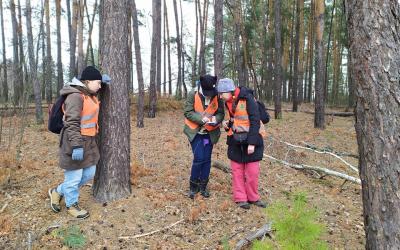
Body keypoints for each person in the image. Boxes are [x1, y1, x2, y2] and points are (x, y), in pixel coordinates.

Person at [48, 66, 108, 219]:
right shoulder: (75, 96)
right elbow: (72, 123)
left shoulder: (88, 93)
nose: (100, 86)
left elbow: (89, 103)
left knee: (89, 173)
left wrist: (103, 82)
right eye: (98, 83)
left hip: (89, 142)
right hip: (74, 142)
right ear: (87, 82)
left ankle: (58, 191)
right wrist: (76, 146)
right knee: (74, 178)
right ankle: (72, 205)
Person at [217, 78, 266, 209]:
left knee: (252, 172)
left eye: (222, 93)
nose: (220, 96)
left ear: (229, 91)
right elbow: (235, 119)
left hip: (252, 140)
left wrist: (252, 143)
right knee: (237, 171)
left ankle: (253, 197)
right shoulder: (228, 101)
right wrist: (227, 125)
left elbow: (255, 121)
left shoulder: (248, 98)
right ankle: (240, 198)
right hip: (235, 140)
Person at [184, 75, 225, 199]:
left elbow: (221, 113)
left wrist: (215, 119)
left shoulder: (217, 95)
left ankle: (203, 186)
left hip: (210, 133)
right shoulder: (193, 93)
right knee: (199, 158)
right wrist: (202, 119)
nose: (208, 95)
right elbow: (187, 112)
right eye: (206, 93)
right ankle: (193, 186)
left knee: (207, 159)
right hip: (195, 132)